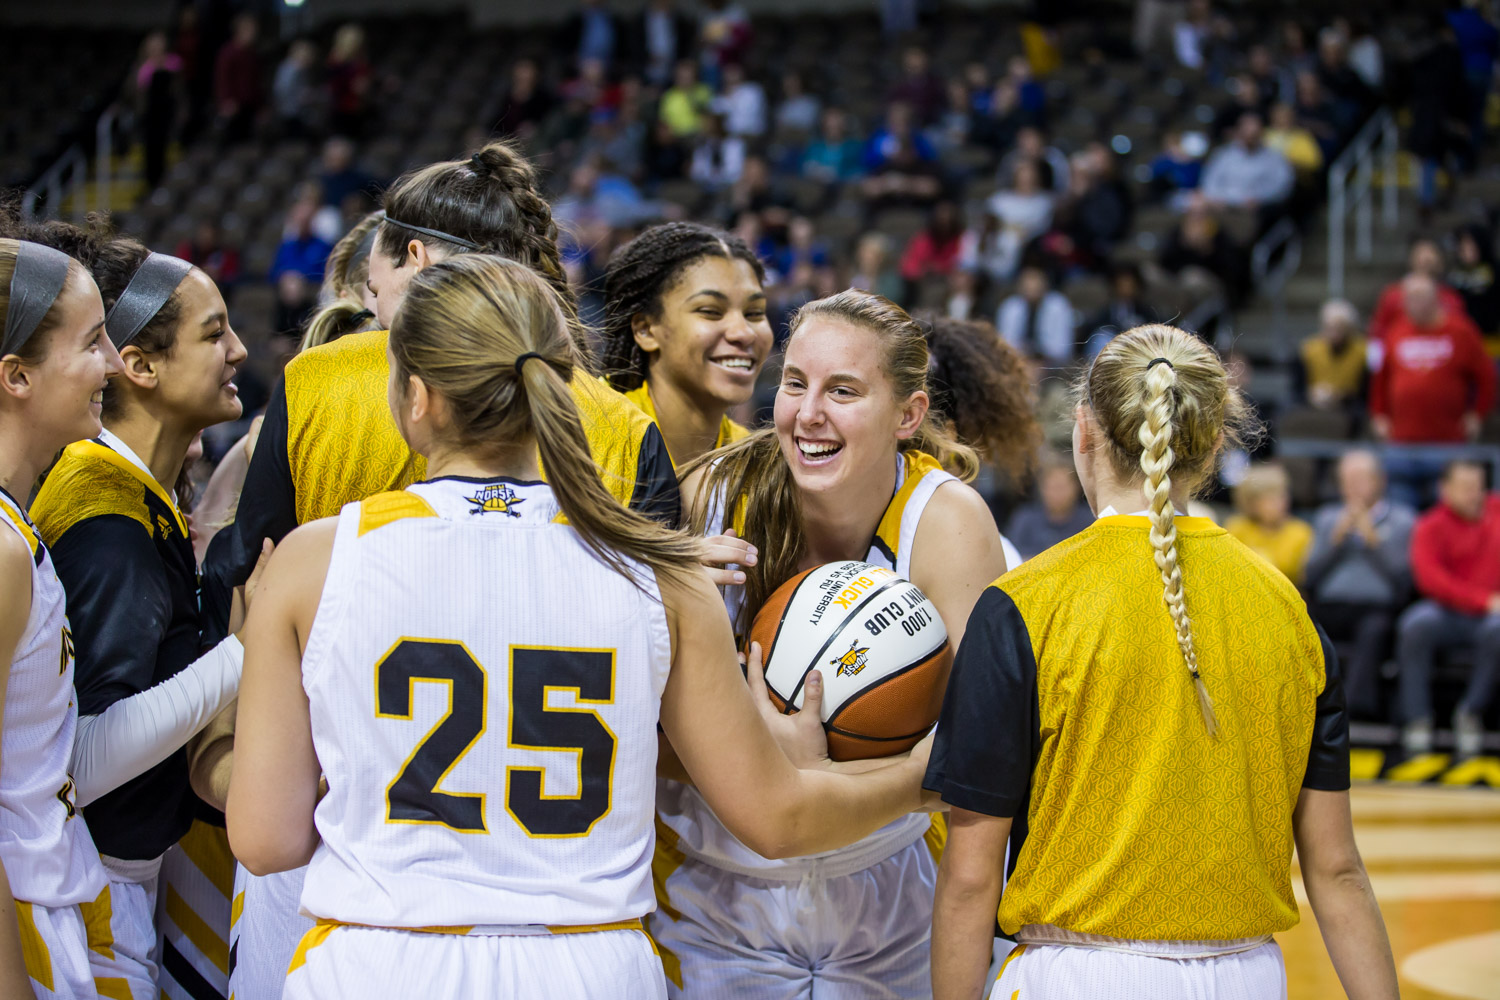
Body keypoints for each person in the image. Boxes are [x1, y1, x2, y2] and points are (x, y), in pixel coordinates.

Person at [226, 255, 931, 1000]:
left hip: (380, 960)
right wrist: (925, 778)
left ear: (417, 397)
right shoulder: (659, 571)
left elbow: (267, 840)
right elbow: (780, 819)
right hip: (588, 964)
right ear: (560, 389)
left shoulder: (314, 561)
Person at [200, 140, 681, 1000]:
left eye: (373, 262)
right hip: (577, 911)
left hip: (354, 889)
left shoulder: (316, 382)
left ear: (414, 258)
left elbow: (246, 565)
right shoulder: (618, 418)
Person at [926, 323, 1399, 1000]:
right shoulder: (1288, 609)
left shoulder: (1024, 603)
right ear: (1211, 443)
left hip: (1077, 974)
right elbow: (1338, 871)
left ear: (1083, 430)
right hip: (1252, 976)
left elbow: (971, 877)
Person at [652, 290, 1015, 999]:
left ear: (908, 415)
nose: (808, 414)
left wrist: (784, 771)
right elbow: (636, 735)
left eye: (842, 391)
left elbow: (967, 762)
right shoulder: (707, 500)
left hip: (887, 901)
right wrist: (758, 767)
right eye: (795, 383)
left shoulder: (949, 524)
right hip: (714, 892)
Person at [10, 220, 256, 1000]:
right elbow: (78, 759)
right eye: (92, 345)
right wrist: (248, 649)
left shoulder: (98, 505)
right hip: (70, 883)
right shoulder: (98, 513)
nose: (109, 365)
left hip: (84, 881)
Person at [0, 239, 118, 999]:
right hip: (20, 919)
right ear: (16, 377)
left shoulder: (17, 525)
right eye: (91, 341)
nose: (111, 360)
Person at [600, 222, 771, 469]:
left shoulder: (755, 466)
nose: (743, 333)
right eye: (710, 311)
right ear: (645, 330)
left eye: (755, 313)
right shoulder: (589, 430)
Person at [1396, 459, 1500, 759]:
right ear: (1445, 489)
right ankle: (1417, 719)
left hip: (1492, 617)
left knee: (1498, 631)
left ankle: (1471, 713)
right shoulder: (1430, 525)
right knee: (1415, 624)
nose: (1473, 494)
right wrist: (1483, 601)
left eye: (1478, 487)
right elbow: (1431, 580)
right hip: (1448, 611)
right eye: (1465, 487)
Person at [1304, 450, 1414, 722]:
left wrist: (1373, 542)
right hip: (1330, 604)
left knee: (1374, 630)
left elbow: (1403, 579)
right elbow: (1310, 576)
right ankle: (1306, 703)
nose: (1351, 487)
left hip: (1376, 608)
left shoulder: (1402, 520)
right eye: (1346, 480)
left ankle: (1353, 711)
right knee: (1303, 624)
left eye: (1359, 480)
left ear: (1379, 481)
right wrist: (1335, 542)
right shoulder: (1328, 518)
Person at [1370, 273, 1495, 507]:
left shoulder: (1461, 332)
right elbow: (1381, 379)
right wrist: (1379, 414)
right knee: (1400, 516)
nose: (1409, 303)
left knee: (1447, 517)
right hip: (1401, 444)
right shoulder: (1396, 331)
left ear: (1435, 298)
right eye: (1406, 298)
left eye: (1417, 297)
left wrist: (1477, 414)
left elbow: (1486, 377)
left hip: (1446, 444)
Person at [1368, 237, 1468, 345]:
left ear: (1440, 261)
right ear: (1411, 259)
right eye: (1420, 253)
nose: (1426, 257)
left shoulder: (1451, 297)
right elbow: (1378, 332)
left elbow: (1461, 331)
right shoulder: (1392, 295)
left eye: (1432, 252)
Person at [1226, 463, 1314, 586]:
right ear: (1252, 504)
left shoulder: (1300, 531)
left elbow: (1303, 576)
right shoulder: (1237, 528)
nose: (1279, 504)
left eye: (1282, 497)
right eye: (1270, 500)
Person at [1005, 457, 1095, 560]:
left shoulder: (1090, 521)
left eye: (1061, 487)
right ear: (1041, 488)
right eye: (1052, 487)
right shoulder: (1025, 519)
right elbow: (1012, 556)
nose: (1057, 494)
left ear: (1076, 487)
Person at [996, 265, 1075, 366]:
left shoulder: (1058, 305)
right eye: (1027, 281)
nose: (1031, 286)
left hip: (1050, 365)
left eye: (1035, 280)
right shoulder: (1010, 306)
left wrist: (1038, 354)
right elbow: (1004, 345)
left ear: (1045, 283)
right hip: (1018, 361)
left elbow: (1063, 349)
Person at [1298, 298, 1367, 410]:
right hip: (1314, 404)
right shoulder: (1309, 349)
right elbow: (1299, 387)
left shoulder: (1362, 350)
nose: (1334, 334)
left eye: (1339, 329)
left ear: (1349, 329)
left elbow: (1364, 391)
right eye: (1329, 328)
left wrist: (1340, 395)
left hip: (1349, 407)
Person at [1448, 224, 1500, 353]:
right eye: (1463, 244)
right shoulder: (1454, 274)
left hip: (1491, 340)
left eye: (1471, 244)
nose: (1466, 249)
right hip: (1461, 340)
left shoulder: (1495, 270)